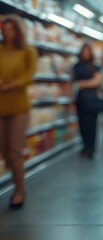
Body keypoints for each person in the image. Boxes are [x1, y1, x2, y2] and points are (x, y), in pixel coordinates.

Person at [0, 17, 38, 209]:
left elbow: (29, 74)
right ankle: (15, 179)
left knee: (14, 151)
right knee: (4, 151)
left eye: (11, 29)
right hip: (1, 106)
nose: (8, 33)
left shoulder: (27, 50)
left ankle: (19, 191)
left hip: (18, 107)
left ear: (17, 31)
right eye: (4, 29)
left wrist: (12, 84)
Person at [73, 43, 102, 159]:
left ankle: (91, 148)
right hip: (80, 100)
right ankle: (85, 146)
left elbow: (97, 81)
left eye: (87, 51)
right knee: (82, 125)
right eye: (84, 51)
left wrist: (81, 84)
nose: (86, 53)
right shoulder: (76, 66)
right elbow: (72, 81)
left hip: (92, 100)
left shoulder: (95, 66)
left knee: (92, 125)